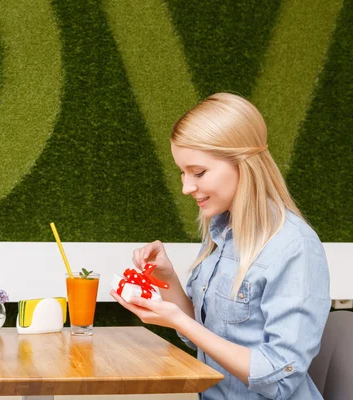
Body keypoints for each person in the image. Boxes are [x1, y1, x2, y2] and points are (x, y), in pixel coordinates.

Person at [111, 93, 330, 399]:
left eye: (198, 172)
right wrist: (166, 278)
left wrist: (178, 321)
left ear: (244, 164)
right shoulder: (221, 232)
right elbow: (203, 337)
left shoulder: (295, 247)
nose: (187, 187)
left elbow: (280, 379)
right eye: (182, 173)